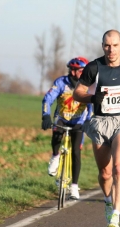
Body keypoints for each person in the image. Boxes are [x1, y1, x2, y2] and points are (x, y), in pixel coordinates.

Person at [73, 29, 120, 227]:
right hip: (100, 123)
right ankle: (107, 200)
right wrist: (91, 98)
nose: (111, 49)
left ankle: (116, 214)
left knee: (119, 168)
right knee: (105, 174)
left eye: (115, 45)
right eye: (107, 45)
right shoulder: (93, 67)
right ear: (102, 46)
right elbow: (77, 93)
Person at [41, 57, 92, 200]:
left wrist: (88, 121)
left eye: (80, 70)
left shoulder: (88, 85)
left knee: (76, 152)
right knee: (57, 134)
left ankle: (74, 186)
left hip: (78, 121)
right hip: (62, 118)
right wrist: (46, 115)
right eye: (74, 70)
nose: (76, 73)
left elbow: (91, 105)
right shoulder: (61, 82)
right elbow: (48, 99)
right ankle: (55, 156)